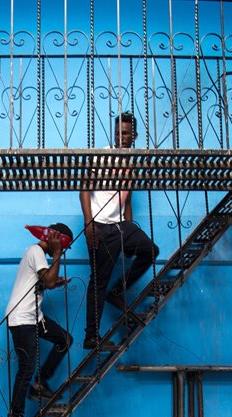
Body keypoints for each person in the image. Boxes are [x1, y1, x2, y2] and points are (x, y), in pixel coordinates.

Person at [81, 112, 159, 350]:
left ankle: (118, 290)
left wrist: (130, 229)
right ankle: (91, 337)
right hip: (100, 227)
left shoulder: (132, 162)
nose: (120, 137)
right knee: (98, 281)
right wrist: (88, 224)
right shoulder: (102, 156)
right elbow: (84, 189)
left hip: (120, 226)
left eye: (125, 134)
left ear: (134, 135)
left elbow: (127, 199)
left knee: (150, 251)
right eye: (117, 133)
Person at [4, 224, 74, 417]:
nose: (64, 250)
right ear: (56, 240)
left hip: (34, 317)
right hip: (22, 318)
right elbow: (49, 281)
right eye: (65, 246)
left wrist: (54, 281)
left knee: (64, 339)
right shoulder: (36, 251)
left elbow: (45, 282)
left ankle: (40, 383)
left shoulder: (37, 255)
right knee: (26, 368)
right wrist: (57, 254)